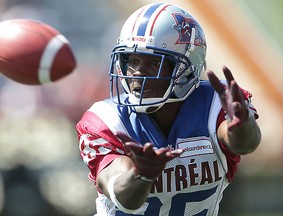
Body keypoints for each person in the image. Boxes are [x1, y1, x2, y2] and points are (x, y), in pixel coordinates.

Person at [76, 2, 261, 216]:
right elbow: (124, 197)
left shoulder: (214, 103)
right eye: (133, 60)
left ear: (186, 67)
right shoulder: (106, 120)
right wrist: (142, 175)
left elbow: (245, 144)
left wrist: (241, 125)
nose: (138, 72)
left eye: (154, 63)